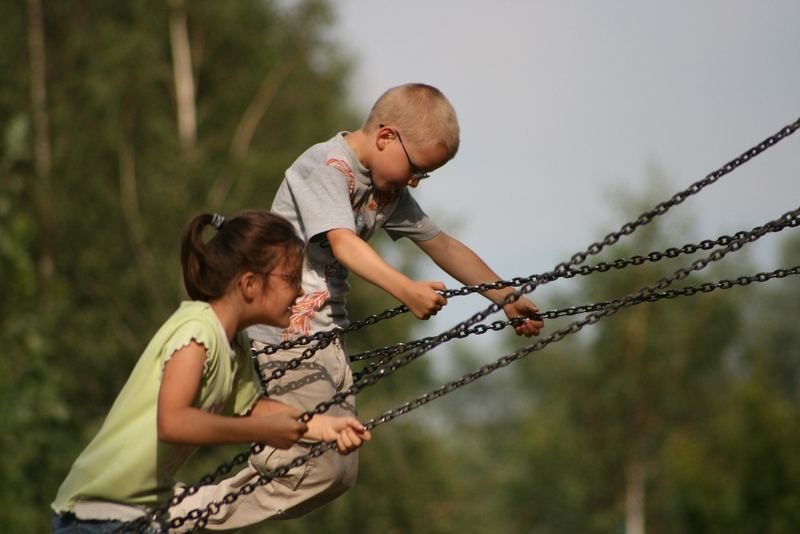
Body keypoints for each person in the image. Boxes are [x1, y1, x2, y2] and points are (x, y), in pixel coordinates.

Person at [167, 83, 544, 530]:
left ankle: (187, 511)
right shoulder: (324, 168)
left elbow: (441, 244)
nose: (414, 182)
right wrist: (404, 289)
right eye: (416, 169)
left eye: (425, 175)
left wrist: (505, 296)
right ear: (386, 137)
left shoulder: (387, 191)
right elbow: (343, 244)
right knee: (320, 464)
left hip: (329, 337)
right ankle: (180, 514)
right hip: (287, 333)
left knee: (340, 472)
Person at [51, 211, 371, 533]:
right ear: (249, 284)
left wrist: (322, 426)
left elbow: (250, 409)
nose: (300, 292)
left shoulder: (236, 342)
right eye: (290, 280)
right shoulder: (197, 331)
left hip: (141, 516)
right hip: (98, 518)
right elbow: (173, 423)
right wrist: (264, 432)